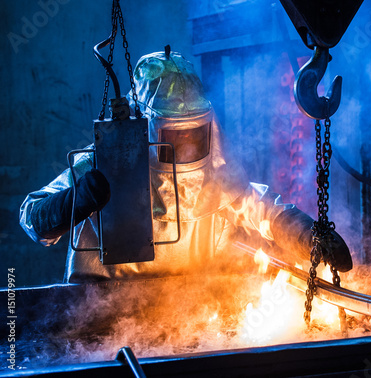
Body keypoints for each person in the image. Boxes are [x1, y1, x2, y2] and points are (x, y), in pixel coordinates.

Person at [19, 50, 352, 283]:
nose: (189, 146)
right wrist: (73, 202)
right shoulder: (105, 164)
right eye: (175, 136)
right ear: (144, 127)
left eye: (195, 132)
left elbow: (264, 210)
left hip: (188, 312)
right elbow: (31, 217)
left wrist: (308, 233)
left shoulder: (215, 172)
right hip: (103, 314)